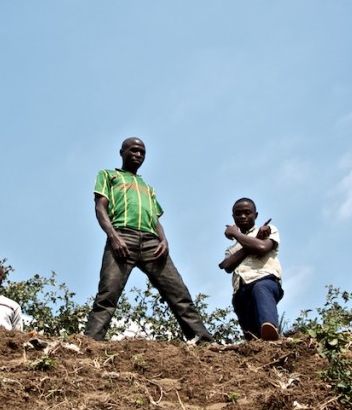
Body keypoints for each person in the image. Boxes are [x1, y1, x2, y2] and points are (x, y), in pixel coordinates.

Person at [84, 137, 214, 343]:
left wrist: (164, 240)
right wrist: (114, 237)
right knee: (108, 294)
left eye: (142, 152)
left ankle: (204, 341)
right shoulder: (108, 175)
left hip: (152, 243)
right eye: (133, 150)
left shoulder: (147, 187)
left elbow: (155, 219)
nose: (138, 155)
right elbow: (100, 208)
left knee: (178, 293)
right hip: (122, 237)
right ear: (122, 152)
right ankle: (90, 343)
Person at [219, 198, 283, 341]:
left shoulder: (269, 230)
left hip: (265, 280)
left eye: (247, 213)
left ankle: (271, 328)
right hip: (241, 291)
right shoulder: (231, 249)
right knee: (252, 338)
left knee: (260, 289)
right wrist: (251, 243)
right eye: (238, 214)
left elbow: (262, 247)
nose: (242, 216)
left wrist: (236, 234)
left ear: (256, 215)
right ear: (233, 217)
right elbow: (227, 266)